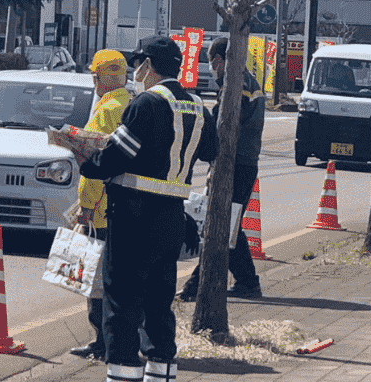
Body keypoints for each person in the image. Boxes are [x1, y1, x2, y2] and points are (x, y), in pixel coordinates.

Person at [65, 35, 218, 382]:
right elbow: (212, 151)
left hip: (133, 216)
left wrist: (87, 157)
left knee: (121, 302)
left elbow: (114, 158)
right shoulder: (197, 105)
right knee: (159, 301)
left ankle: (121, 374)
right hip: (172, 217)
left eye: (137, 64)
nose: (136, 71)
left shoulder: (146, 104)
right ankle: (161, 373)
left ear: (147, 65)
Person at [178, 36, 266, 300]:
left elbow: (224, 124)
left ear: (218, 61)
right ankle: (247, 281)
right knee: (229, 224)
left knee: (222, 223)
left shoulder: (236, 85)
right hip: (244, 162)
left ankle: (199, 283)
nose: (211, 69)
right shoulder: (246, 81)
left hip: (235, 163)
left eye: (211, 63)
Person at [70, 50, 132, 360]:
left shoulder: (106, 110)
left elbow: (96, 164)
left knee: (95, 281)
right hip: (124, 204)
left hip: (101, 208)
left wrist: (85, 204)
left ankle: (102, 342)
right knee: (116, 279)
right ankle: (114, 341)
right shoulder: (131, 105)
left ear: (98, 78)